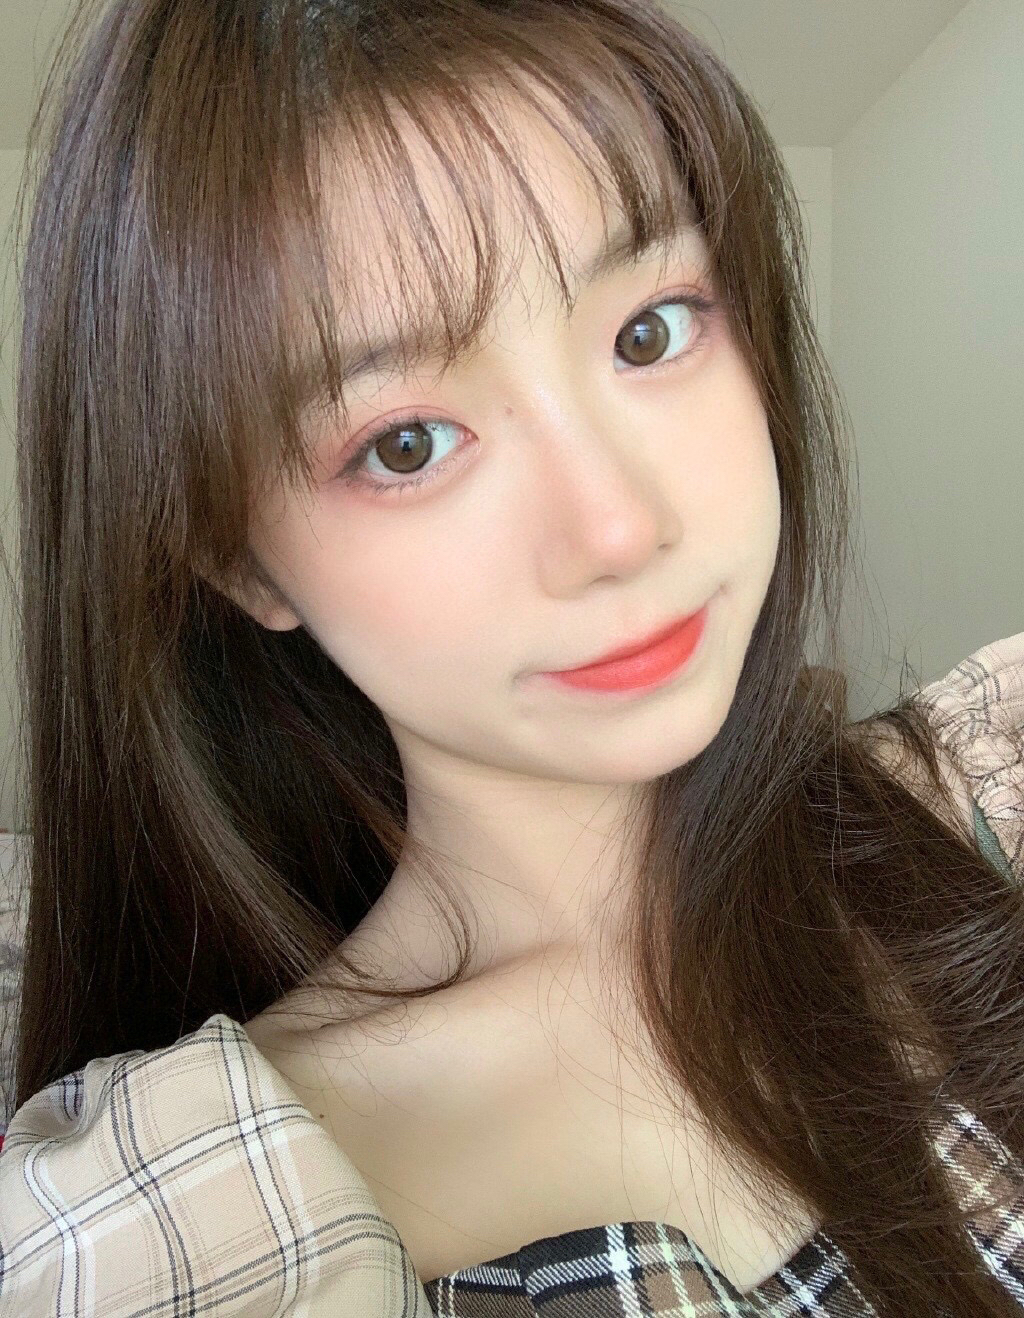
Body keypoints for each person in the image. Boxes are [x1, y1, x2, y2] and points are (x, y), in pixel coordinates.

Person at [0, 0, 1021, 1313]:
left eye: (651, 331)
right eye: (406, 443)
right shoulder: (199, 1234)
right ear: (240, 561)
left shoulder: (976, 802)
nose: (618, 528)